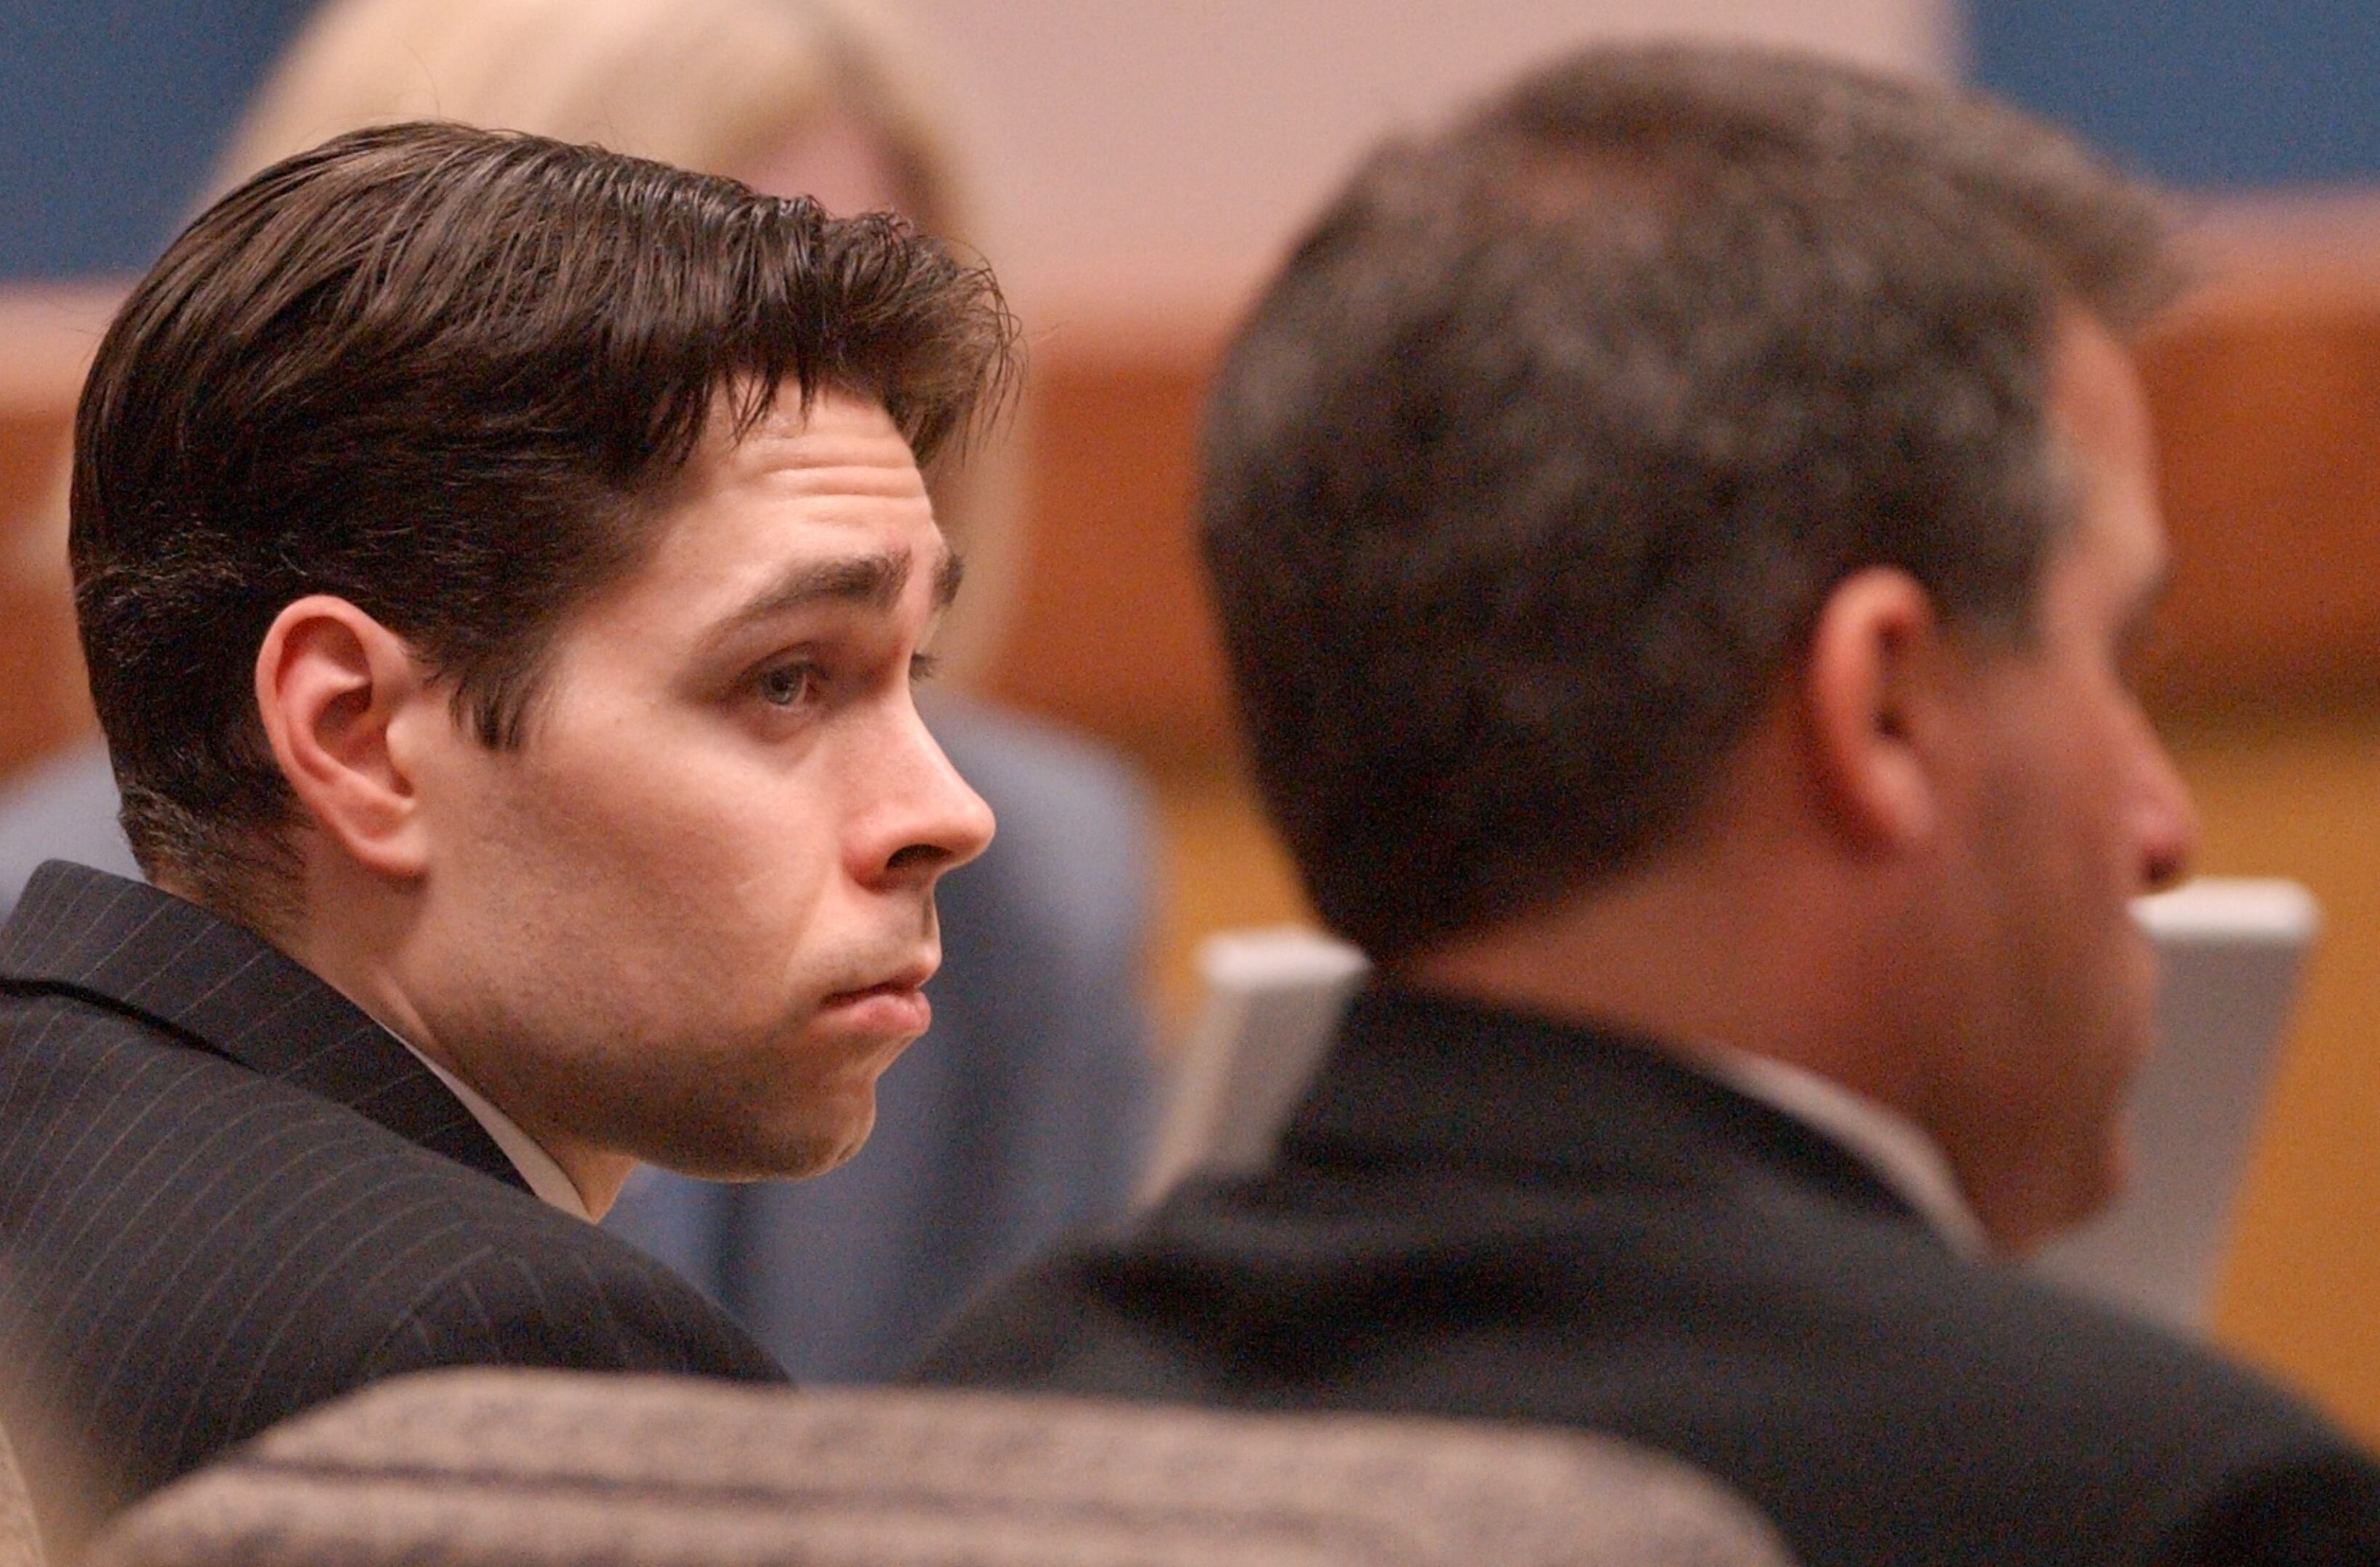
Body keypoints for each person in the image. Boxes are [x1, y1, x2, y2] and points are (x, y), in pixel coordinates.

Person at [911, 41, 2380, 1567]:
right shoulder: (2174, 1513)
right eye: (2112, 656)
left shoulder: (970, 1435)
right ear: (1882, 711)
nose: (2162, 825)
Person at [0, 0, 1155, 1382]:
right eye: (782, 682)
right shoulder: (495, 1348)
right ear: (356, 736)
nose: (949, 811)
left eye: (908, 671)